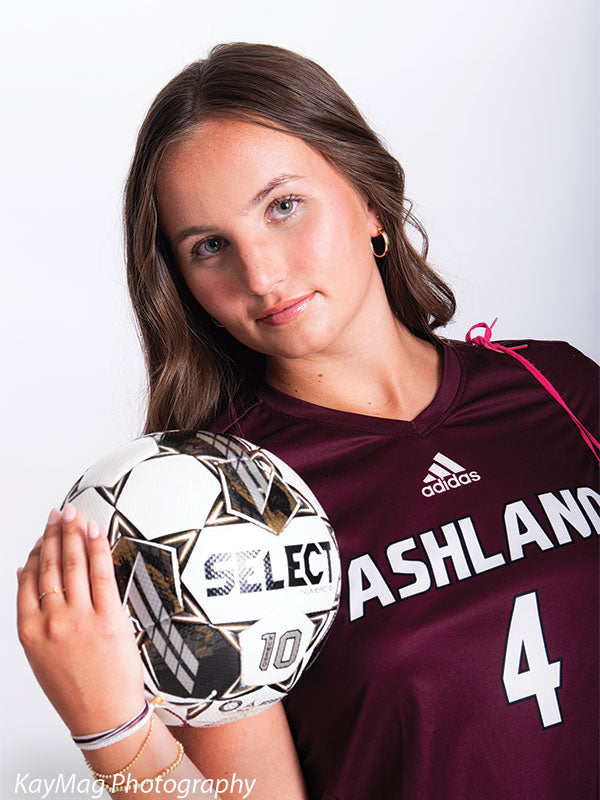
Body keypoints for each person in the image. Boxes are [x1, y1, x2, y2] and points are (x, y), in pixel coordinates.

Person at [17, 42, 599, 800]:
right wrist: (114, 734)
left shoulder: (555, 385)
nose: (261, 275)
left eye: (283, 206)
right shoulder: (217, 506)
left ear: (367, 195)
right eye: (209, 247)